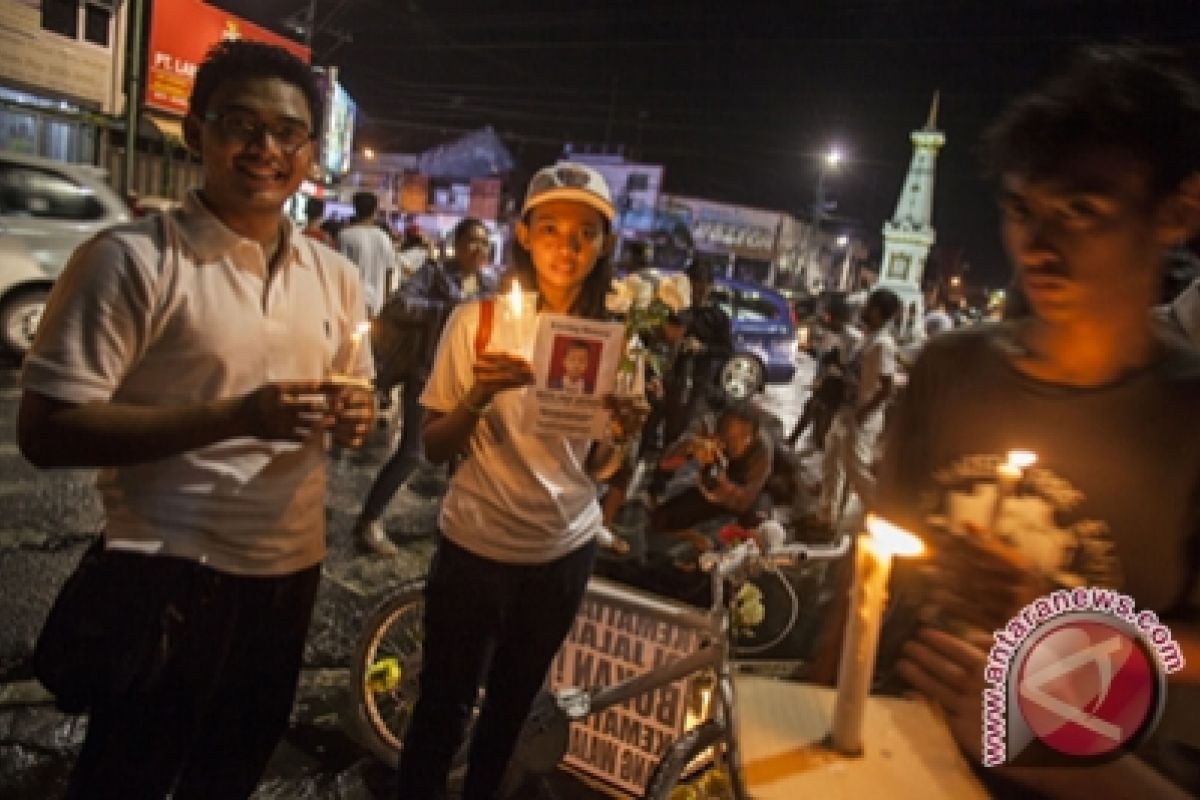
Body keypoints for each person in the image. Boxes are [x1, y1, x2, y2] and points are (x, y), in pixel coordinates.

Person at [16, 40, 374, 798]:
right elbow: (47, 431)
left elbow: (354, 405)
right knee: (128, 774)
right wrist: (237, 416)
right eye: (240, 124)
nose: (265, 148)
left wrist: (355, 417)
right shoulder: (131, 259)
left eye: (287, 133)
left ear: (312, 149)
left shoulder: (336, 276)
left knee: (233, 770)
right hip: (164, 571)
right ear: (195, 132)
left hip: (290, 571)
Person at [877, 45, 1200, 797]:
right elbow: (879, 568)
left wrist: (1074, 629)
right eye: (1024, 211)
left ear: (1178, 212)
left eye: (1083, 211)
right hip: (904, 755)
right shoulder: (950, 372)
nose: (1040, 251)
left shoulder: (1187, 416)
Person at [395, 162, 645, 798]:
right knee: (442, 709)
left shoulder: (617, 345)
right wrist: (479, 393)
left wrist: (624, 433)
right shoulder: (476, 324)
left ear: (604, 245)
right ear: (525, 235)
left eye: (585, 233)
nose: (568, 246)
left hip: (561, 557)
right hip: (475, 550)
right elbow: (432, 446)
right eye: (552, 228)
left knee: (509, 712)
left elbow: (599, 470)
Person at [353, 216, 496, 555]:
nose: (478, 249)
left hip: (470, 382)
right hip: (427, 375)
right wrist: (446, 310)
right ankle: (369, 519)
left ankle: (451, 524)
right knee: (413, 452)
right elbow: (399, 304)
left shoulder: (490, 287)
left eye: (484, 243)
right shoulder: (435, 275)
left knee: (462, 455)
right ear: (457, 245)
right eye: (471, 242)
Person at [813, 287, 900, 530]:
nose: (863, 310)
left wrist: (864, 413)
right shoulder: (868, 338)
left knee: (857, 471)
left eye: (869, 307)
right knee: (831, 461)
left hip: (862, 418)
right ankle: (826, 517)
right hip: (846, 411)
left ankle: (880, 516)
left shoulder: (884, 344)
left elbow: (887, 387)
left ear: (878, 312)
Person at [647, 403, 774, 560]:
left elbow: (745, 502)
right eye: (730, 435)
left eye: (743, 436)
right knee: (660, 519)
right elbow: (665, 463)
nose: (735, 443)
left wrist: (723, 484)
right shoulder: (707, 426)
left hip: (746, 494)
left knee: (760, 530)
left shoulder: (762, 449)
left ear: (754, 436)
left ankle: (734, 556)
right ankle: (694, 539)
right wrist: (692, 446)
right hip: (707, 489)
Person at [787, 293, 863, 454]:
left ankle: (819, 446)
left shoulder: (853, 338)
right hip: (828, 379)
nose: (826, 321)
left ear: (840, 319)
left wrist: (837, 364)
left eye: (830, 318)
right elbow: (823, 360)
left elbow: (852, 367)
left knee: (825, 416)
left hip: (841, 384)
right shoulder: (831, 334)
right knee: (811, 408)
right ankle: (794, 440)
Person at [337, 190, 396, 316]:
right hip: (377, 304)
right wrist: (386, 300)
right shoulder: (384, 238)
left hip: (351, 302)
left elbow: (340, 271)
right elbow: (389, 272)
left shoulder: (344, 236)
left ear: (355, 209)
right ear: (375, 210)